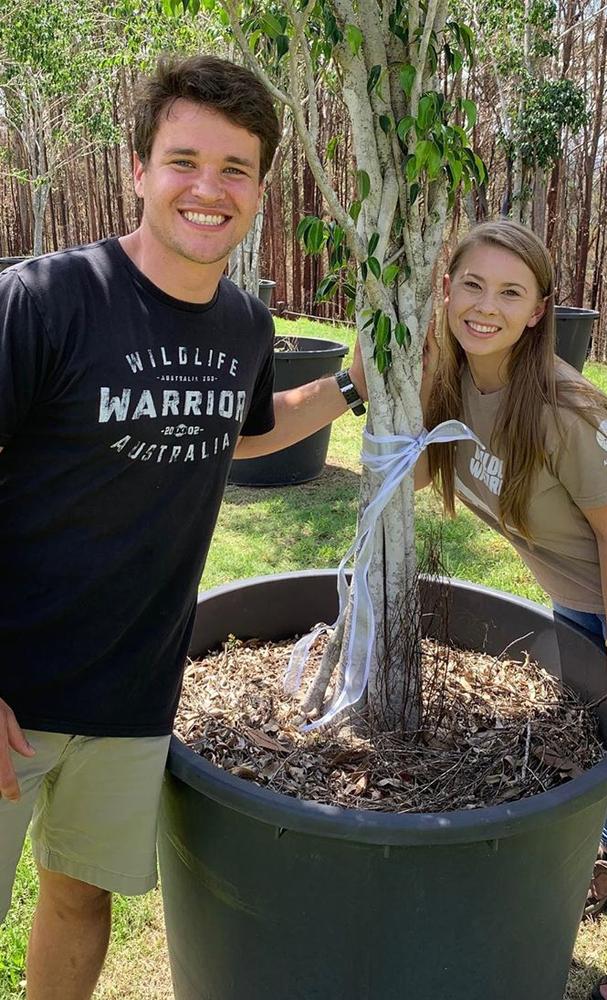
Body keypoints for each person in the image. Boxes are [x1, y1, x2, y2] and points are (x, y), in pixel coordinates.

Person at [0, 54, 366, 1000]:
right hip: (11, 683)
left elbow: (242, 432)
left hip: (129, 692)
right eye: (183, 160)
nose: (209, 189)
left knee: (81, 901)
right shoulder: (47, 301)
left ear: (260, 188)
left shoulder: (245, 322)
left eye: (235, 168)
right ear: (138, 170)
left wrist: (355, 385)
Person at [417, 219, 607, 1000]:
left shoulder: (566, 409)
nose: (487, 306)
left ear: (539, 309)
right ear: (446, 289)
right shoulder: (450, 381)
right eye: (473, 284)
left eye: (510, 292)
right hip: (579, 593)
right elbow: (420, 471)